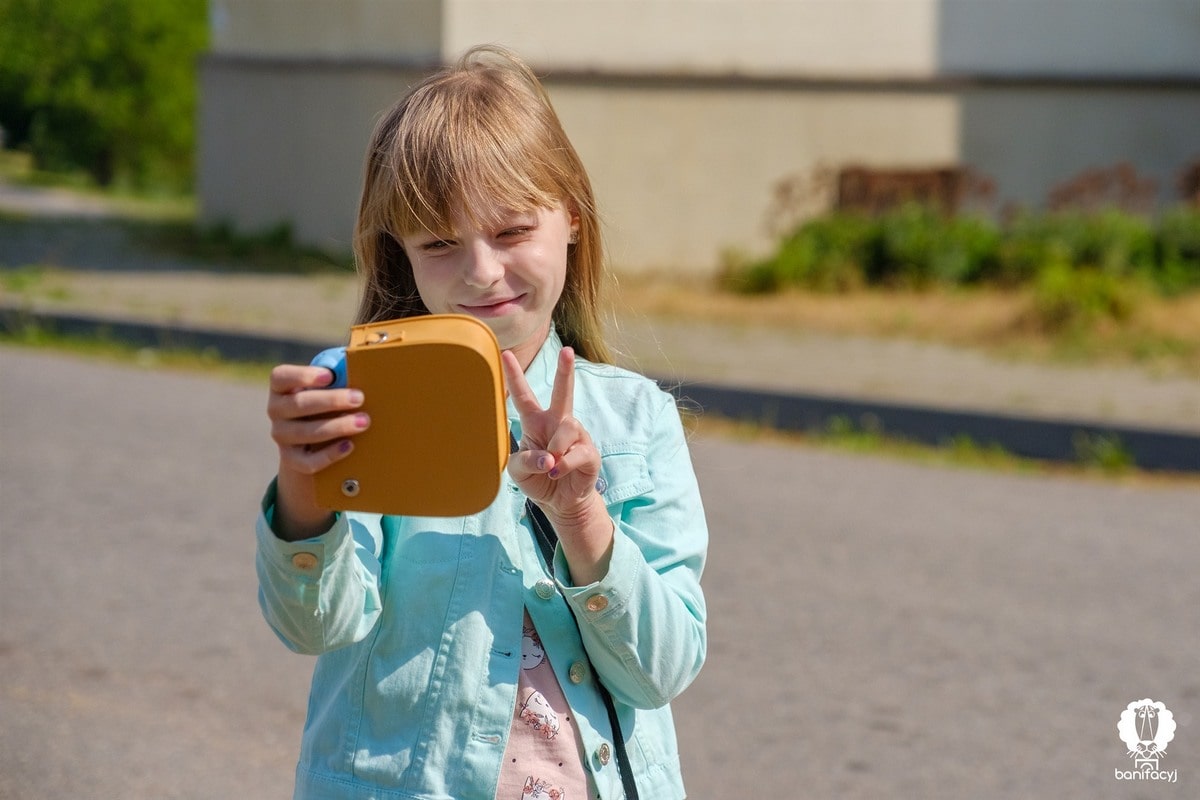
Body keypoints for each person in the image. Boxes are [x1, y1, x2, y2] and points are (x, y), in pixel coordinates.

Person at [258, 44, 708, 800]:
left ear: (570, 217)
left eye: (509, 232)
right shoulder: (364, 396)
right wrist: (304, 486)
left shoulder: (636, 418)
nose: (481, 271)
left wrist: (581, 514)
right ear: (399, 254)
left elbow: (661, 669)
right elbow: (315, 628)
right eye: (439, 242)